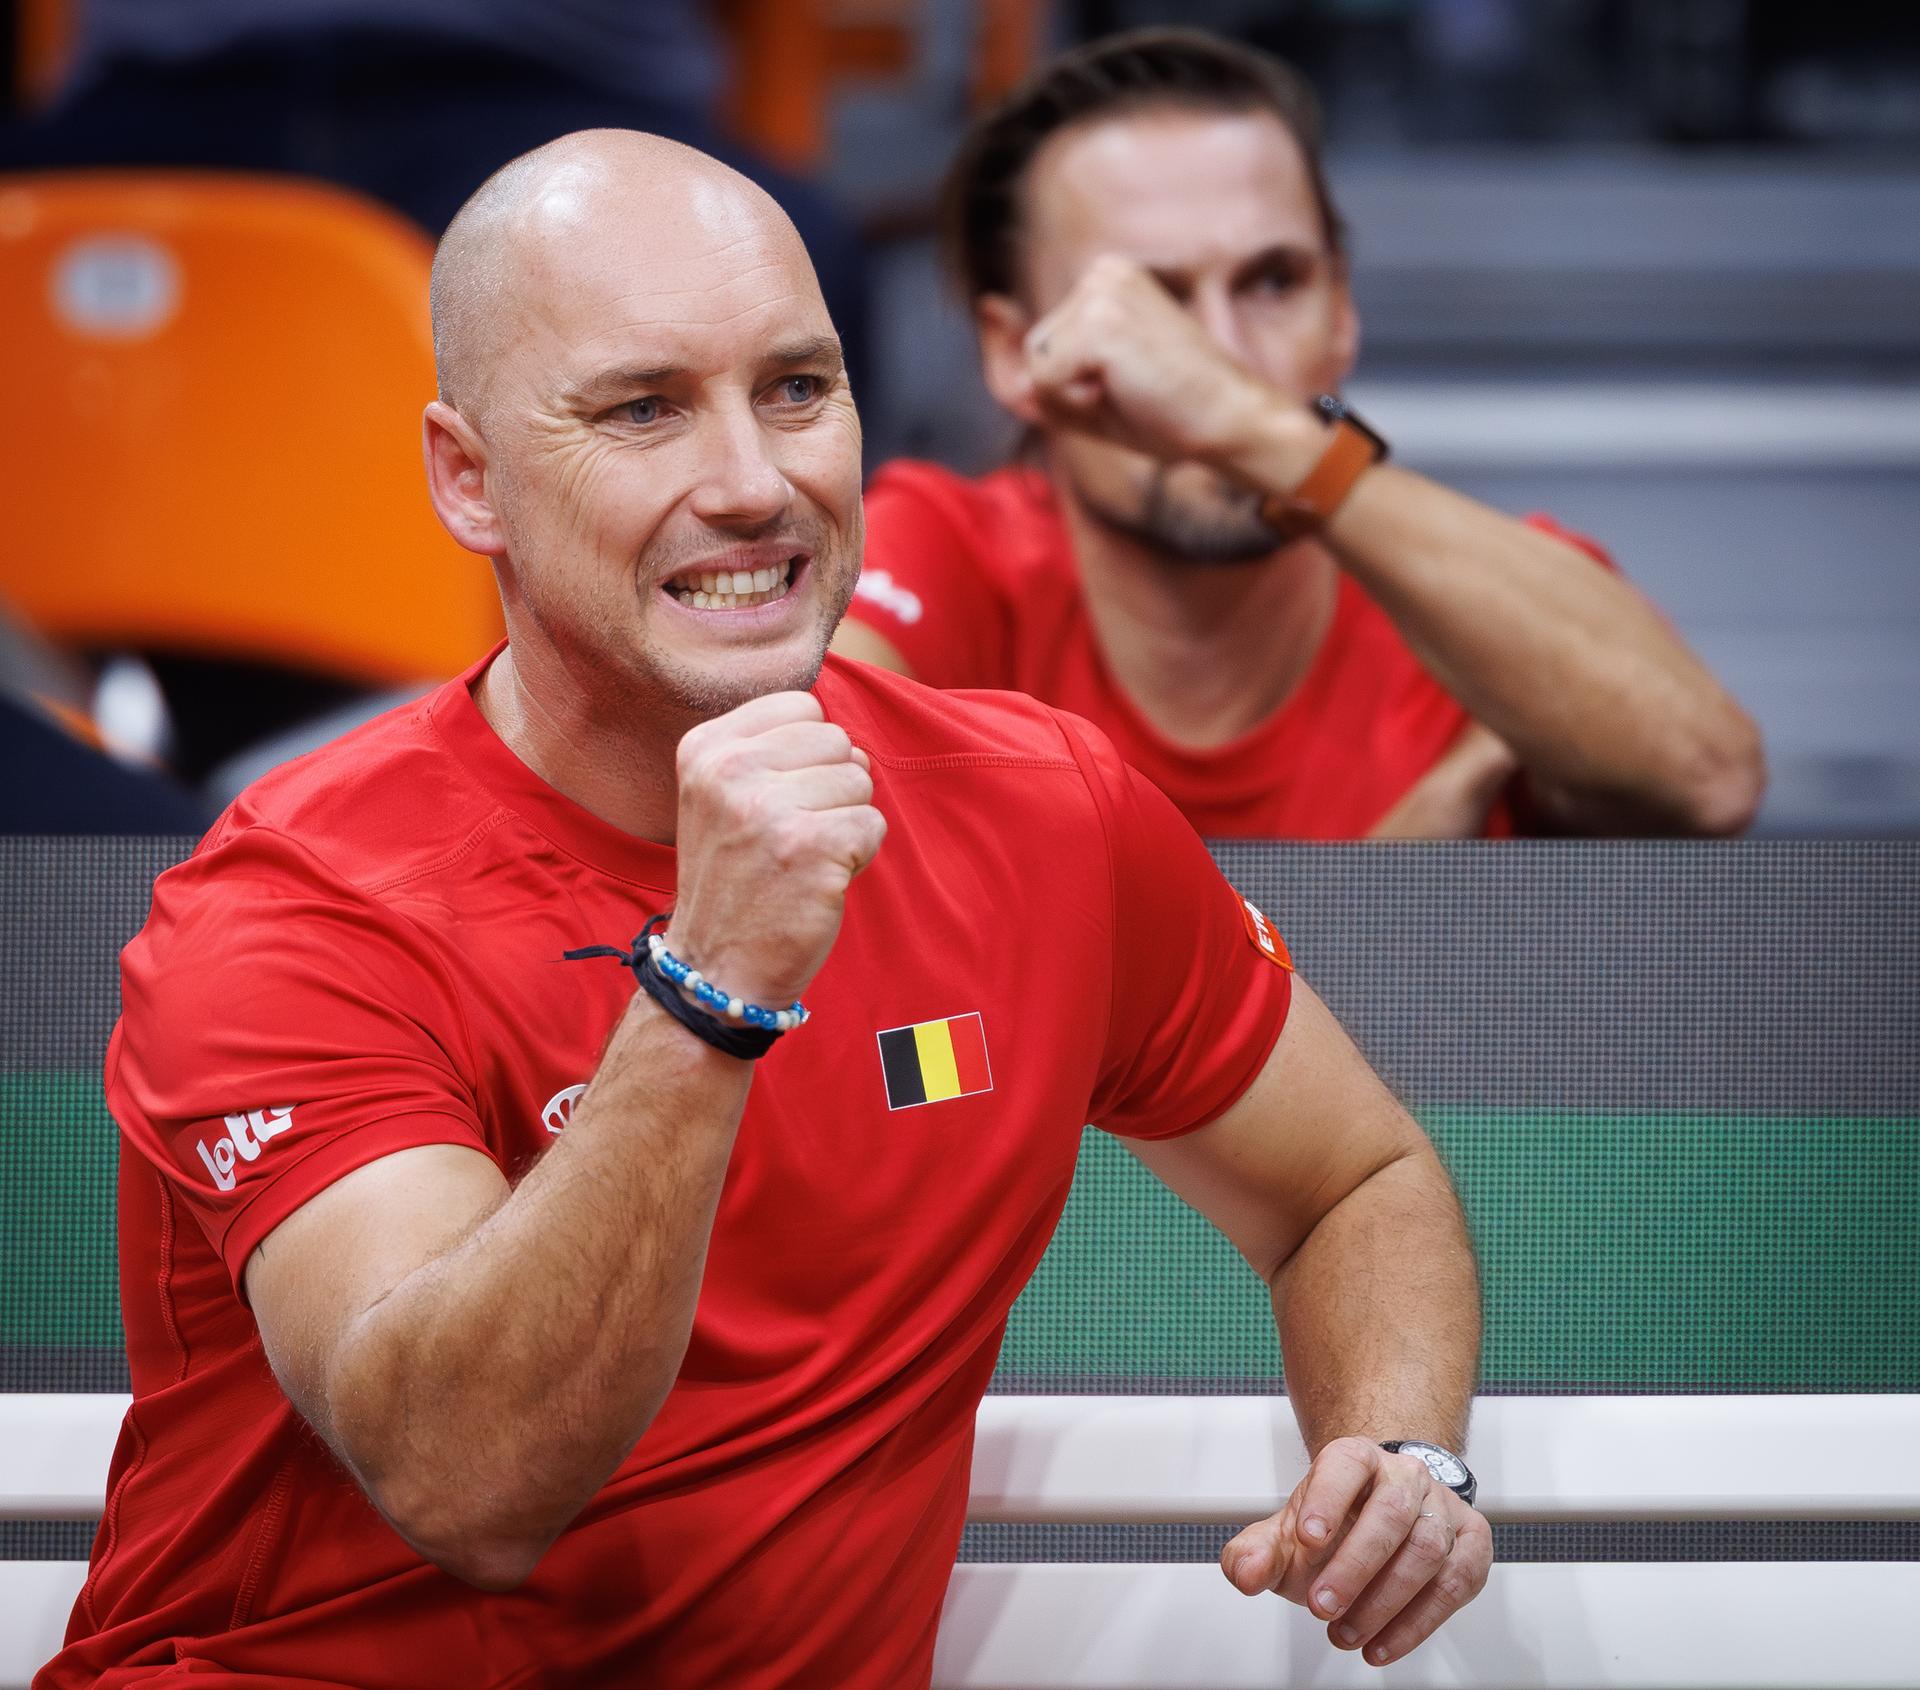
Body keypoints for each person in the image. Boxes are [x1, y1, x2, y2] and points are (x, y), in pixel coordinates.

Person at [42, 131, 1487, 1689]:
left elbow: (1355, 1177)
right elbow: (469, 1479)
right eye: (643, 408)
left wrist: (1401, 1446)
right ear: (469, 479)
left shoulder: (1047, 812)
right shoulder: (295, 907)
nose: (751, 482)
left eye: (797, 388)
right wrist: (709, 981)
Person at [833, 27, 1767, 840]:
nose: (1219, 355)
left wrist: (1252, 432)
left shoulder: (1464, 592)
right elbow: (794, 803)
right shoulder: (946, 551)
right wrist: (1376, 897)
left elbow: (1710, 781)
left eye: (1274, 281)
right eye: (1149, 302)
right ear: (1013, 351)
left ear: (1343, 311)